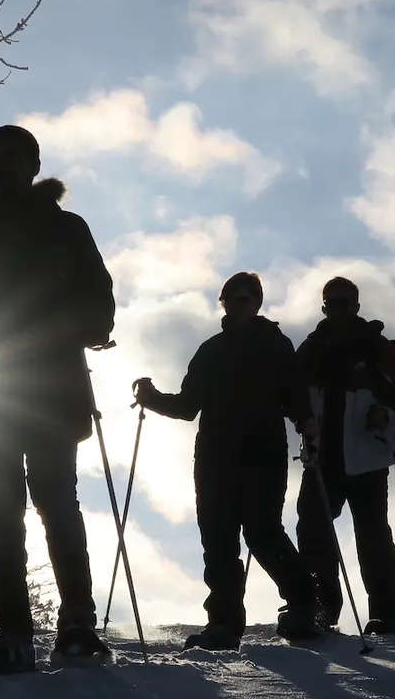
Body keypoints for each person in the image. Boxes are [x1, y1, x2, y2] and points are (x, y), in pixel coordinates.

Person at [0, 125, 115, 670]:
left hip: (27, 389)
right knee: (17, 510)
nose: (5, 166)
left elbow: (100, 304)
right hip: (10, 388)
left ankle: (68, 626)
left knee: (46, 504)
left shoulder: (49, 231)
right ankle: (30, 630)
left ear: (34, 163)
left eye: (14, 157)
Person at [134, 272, 323, 650]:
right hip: (217, 455)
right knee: (218, 537)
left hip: (261, 451)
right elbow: (188, 406)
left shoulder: (274, 345)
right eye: (234, 299)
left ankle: (303, 604)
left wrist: (308, 426)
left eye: (247, 299)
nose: (241, 305)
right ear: (223, 303)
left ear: (256, 304)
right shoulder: (212, 350)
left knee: (262, 532)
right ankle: (224, 623)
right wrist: (152, 398)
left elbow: (295, 396)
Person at [295, 276, 395, 637]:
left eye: (344, 302)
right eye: (332, 303)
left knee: (372, 534)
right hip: (325, 457)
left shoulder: (375, 348)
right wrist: (301, 419)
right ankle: (322, 608)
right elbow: (291, 395)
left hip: (365, 458)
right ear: (324, 307)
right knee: (314, 529)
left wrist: (387, 415)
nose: (338, 309)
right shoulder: (311, 350)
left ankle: (386, 615)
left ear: (356, 306)